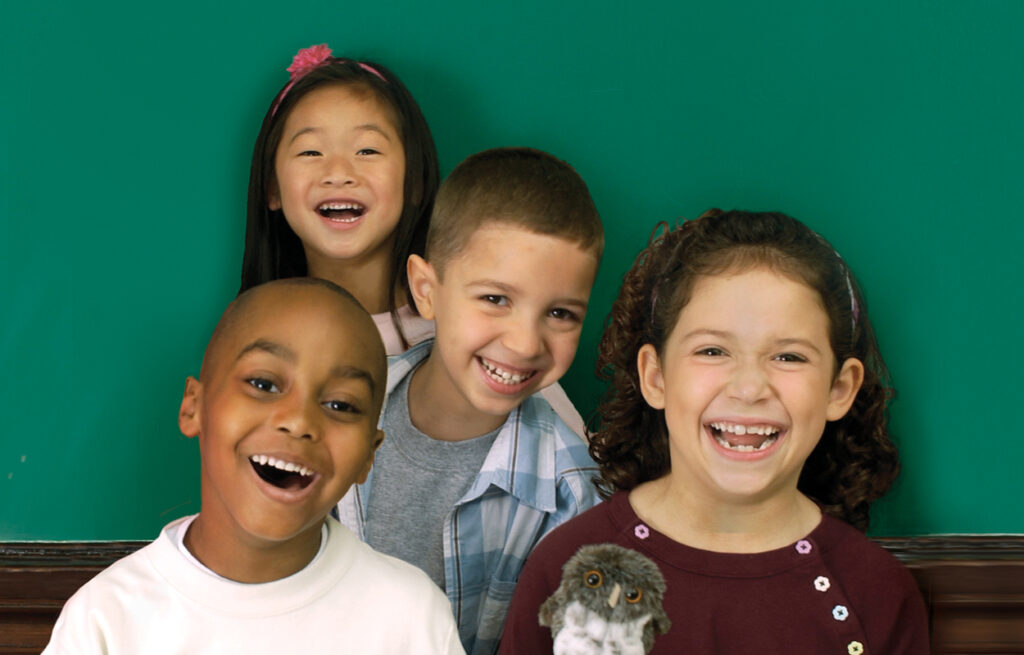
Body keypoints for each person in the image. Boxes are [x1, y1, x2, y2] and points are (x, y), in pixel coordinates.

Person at [500, 210, 929, 654]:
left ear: (839, 389)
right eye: (712, 350)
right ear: (655, 376)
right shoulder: (566, 566)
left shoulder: (876, 592)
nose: (748, 388)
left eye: (789, 357)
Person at [43, 279, 463, 654]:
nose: (298, 421)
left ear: (369, 455)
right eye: (263, 384)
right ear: (194, 407)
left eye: (341, 404)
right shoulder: (105, 620)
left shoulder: (410, 617)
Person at [239, 44, 586, 435]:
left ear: (416, 181)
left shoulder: (473, 332)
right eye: (310, 151)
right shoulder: (252, 348)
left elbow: (573, 469)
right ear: (272, 188)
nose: (338, 172)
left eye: (367, 149)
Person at [337, 147, 605, 654]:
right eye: (495, 299)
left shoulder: (574, 497)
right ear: (426, 290)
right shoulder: (339, 412)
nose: (526, 343)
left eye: (561, 313)